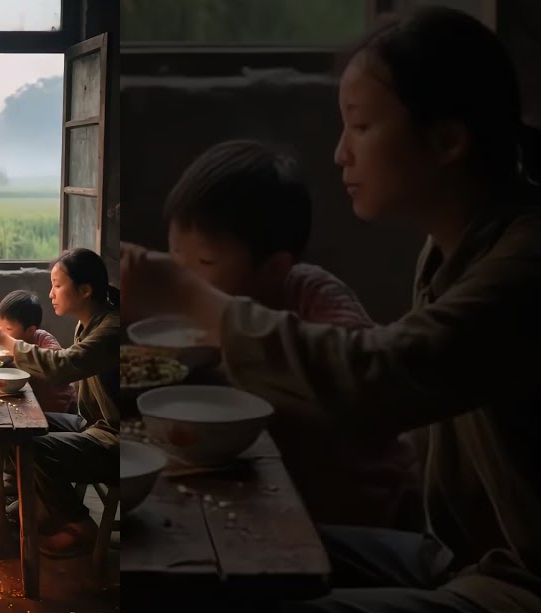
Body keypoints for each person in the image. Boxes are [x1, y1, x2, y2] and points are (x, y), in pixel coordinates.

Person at [122, 7, 541, 613]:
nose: (338, 154)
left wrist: (191, 295)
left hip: (531, 592)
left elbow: (375, 380)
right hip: (467, 555)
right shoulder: (457, 248)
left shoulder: (534, 263)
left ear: (447, 140)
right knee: (216, 573)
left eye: (360, 126)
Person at [164, 138, 418, 528]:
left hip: (354, 510)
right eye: (174, 257)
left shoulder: (315, 297)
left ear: (273, 268)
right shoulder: (186, 318)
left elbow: (355, 383)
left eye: (205, 261)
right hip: (266, 490)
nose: (184, 278)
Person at [0, 248, 119, 557]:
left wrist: (5, 340)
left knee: (33, 446)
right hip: (93, 423)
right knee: (12, 425)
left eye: (57, 285)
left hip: (115, 438)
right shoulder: (90, 321)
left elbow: (61, 366)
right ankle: (41, 504)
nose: (51, 293)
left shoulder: (111, 328)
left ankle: (79, 526)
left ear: (85, 290)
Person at [0, 289, 75, 413]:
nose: (2, 334)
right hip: (26, 402)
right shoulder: (3, 347)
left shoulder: (43, 340)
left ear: (30, 330)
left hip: (53, 408)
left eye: (8, 329)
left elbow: (55, 367)